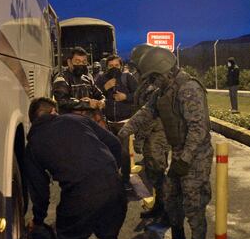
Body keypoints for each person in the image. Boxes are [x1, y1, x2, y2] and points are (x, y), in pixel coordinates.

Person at [119, 46, 213, 239]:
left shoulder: (188, 88)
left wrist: (185, 159)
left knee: (193, 206)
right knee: (171, 198)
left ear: (165, 71)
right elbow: (146, 112)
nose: (152, 82)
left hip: (196, 156)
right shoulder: (164, 90)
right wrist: (122, 132)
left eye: (154, 77)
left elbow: (198, 129)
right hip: (180, 153)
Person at [24, 97, 127, 239]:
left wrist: (38, 219)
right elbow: (114, 143)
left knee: (70, 234)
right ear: (53, 111)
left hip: (82, 191)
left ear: (33, 120)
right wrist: (111, 171)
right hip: (114, 182)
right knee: (109, 225)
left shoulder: (33, 145)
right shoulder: (77, 119)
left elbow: (39, 190)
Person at [129, 44, 171, 228]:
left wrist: (139, 138)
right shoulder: (146, 81)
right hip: (151, 136)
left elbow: (152, 116)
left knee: (159, 175)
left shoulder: (154, 83)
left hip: (157, 136)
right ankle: (159, 207)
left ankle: (167, 213)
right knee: (154, 175)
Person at [95, 54, 139, 191]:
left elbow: (138, 95)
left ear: (121, 66)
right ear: (106, 67)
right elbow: (94, 95)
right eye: (111, 66)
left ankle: (125, 180)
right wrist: (105, 88)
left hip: (124, 122)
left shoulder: (127, 77)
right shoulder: (101, 79)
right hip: (107, 122)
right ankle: (111, 178)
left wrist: (126, 97)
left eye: (116, 65)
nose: (114, 68)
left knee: (124, 153)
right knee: (107, 151)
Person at [53, 46, 106, 121]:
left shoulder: (87, 79)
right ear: (69, 62)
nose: (81, 64)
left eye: (84, 62)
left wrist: (102, 102)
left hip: (88, 121)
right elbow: (62, 101)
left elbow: (100, 95)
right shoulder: (61, 79)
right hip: (70, 122)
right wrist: (87, 104)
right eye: (77, 62)